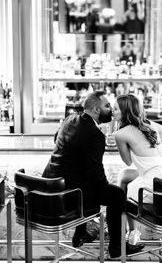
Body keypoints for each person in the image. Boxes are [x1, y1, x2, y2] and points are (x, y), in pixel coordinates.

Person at [42, 90, 144, 259]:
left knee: (84, 181)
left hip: (50, 187)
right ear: (96, 110)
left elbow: (56, 140)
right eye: (107, 106)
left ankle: (81, 233)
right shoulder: (95, 134)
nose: (110, 109)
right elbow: (95, 174)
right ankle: (116, 248)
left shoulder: (69, 119)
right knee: (116, 194)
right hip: (68, 195)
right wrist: (106, 185)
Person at [113, 94, 162, 205]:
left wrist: (133, 147)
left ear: (125, 111)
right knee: (124, 174)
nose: (112, 112)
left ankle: (120, 215)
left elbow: (128, 162)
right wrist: (154, 144)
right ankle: (119, 215)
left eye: (115, 109)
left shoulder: (120, 134)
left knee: (128, 190)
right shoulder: (150, 124)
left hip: (155, 188)